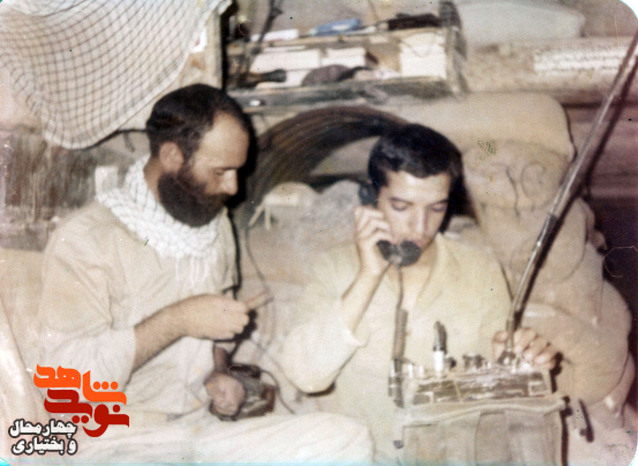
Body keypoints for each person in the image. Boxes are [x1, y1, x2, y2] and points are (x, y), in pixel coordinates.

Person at [35, 84, 372, 462]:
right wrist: (176, 321)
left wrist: (219, 372)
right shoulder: (87, 239)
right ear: (172, 156)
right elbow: (65, 385)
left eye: (237, 171)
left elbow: (215, 338)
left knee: (345, 438)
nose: (233, 187)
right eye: (221, 171)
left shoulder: (214, 224)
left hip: (199, 430)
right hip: (116, 438)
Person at [280, 123, 558, 462]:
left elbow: (498, 380)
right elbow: (306, 376)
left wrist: (517, 361)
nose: (420, 227)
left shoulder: (480, 271)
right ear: (371, 197)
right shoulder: (334, 268)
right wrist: (368, 276)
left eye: (436, 208)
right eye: (402, 206)